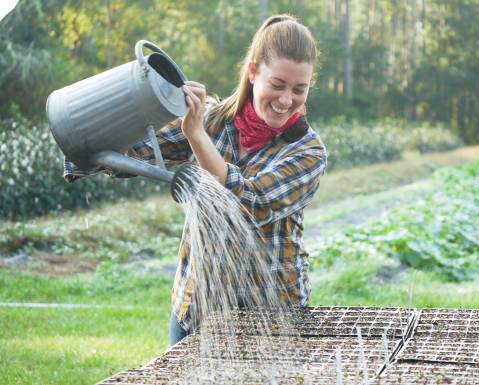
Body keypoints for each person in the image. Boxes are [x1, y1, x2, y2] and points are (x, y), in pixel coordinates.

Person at [64, 14, 327, 346]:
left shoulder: (307, 152)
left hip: (273, 313)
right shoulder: (212, 120)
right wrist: (87, 130)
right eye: (277, 84)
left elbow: (251, 204)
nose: (286, 100)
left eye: (299, 89)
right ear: (252, 71)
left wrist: (196, 137)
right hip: (199, 305)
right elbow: (136, 153)